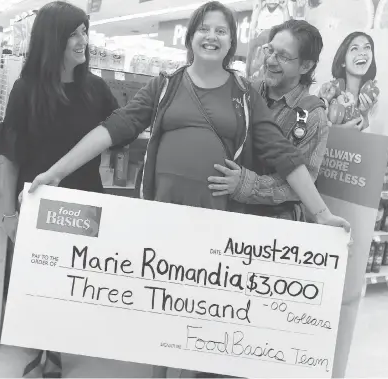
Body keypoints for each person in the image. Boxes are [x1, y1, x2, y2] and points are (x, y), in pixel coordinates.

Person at [26, 4, 350, 376]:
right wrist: (56, 171)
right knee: (161, 317)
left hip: (214, 226)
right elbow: (115, 127)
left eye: (222, 31)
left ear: (232, 43)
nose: (212, 36)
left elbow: (282, 153)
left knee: (197, 325)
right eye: (204, 29)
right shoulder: (166, 85)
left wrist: (321, 212)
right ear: (191, 36)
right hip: (162, 219)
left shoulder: (245, 94)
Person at [0, 2, 119, 377]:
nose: (83, 41)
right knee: (38, 280)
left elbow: (119, 133)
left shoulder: (96, 89)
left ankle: (56, 348)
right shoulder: (25, 90)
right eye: (73, 34)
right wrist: (8, 216)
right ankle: (44, 346)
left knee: (73, 279)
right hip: (37, 203)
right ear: (52, 39)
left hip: (85, 202)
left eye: (84, 32)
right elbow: (10, 157)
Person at [207, 19, 329, 222]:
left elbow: (300, 186)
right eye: (270, 50)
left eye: (283, 56)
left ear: (306, 66)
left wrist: (246, 184)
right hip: (224, 209)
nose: (271, 60)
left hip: (273, 224)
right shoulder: (244, 91)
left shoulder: (312, 116)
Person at [319, 31, 379, 131]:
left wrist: (364, 115)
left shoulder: (374, 101)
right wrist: (338, 130)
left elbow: (372, 141)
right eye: (355, 48)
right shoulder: (327, 91)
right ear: (343, 61)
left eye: (367, 47)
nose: (363, 52)